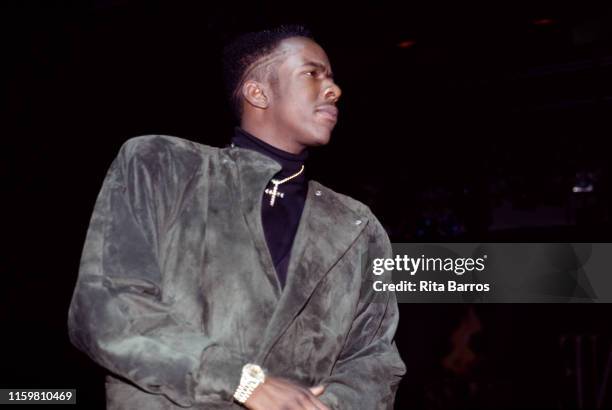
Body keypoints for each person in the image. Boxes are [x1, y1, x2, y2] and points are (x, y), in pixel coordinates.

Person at [68, 25, 406, 410]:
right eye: (313, 73)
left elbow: (374, 359)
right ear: (257, 92)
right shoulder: (162, 165)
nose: (334, 89)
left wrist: (326, 406)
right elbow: (106, 306)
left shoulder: (355, 225)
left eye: (332, 77)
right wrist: (243, 382)